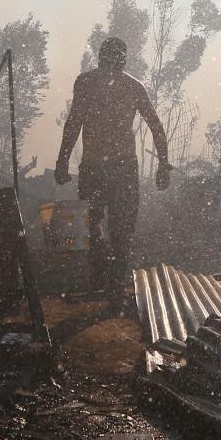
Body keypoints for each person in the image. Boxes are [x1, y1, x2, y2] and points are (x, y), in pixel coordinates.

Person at [54, 37, 171, 310]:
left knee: (100, 229)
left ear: (101, 57)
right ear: (122, 60)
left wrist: (62, 161)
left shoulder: (88, 83)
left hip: (101, 167)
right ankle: (113, 289)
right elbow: (156, 126)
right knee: (117, 231)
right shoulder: (131, 86)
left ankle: (107, 282)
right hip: (118, 168)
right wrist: (163, 164)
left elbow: (74, 124)